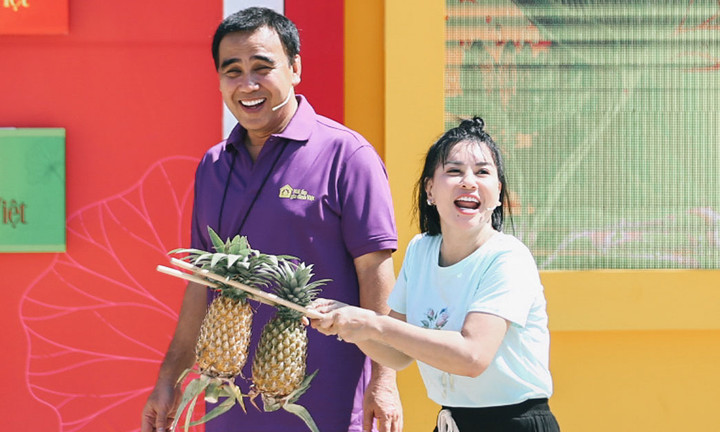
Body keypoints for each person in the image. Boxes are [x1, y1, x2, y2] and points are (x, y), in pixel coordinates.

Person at [141, 7, 402, 432]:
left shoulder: (348, 156)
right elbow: (200, 284)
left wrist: (384, 381)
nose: (248, 85)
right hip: (230, 411)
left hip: (327, 410)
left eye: (262, 68)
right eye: (233, 71)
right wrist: (169, 378)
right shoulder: (214, 165)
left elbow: (376, 273)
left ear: (295, 68)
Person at [312, 117, 560, 431]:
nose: (469, 182)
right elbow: (396, 354)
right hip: (453, 421)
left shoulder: (508, 258)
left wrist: (372, 323)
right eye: (454, 171)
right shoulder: (421, 251)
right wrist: (347, 325)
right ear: (430, 189)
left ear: (498, 192)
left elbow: (472, 357)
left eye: (482, 172)